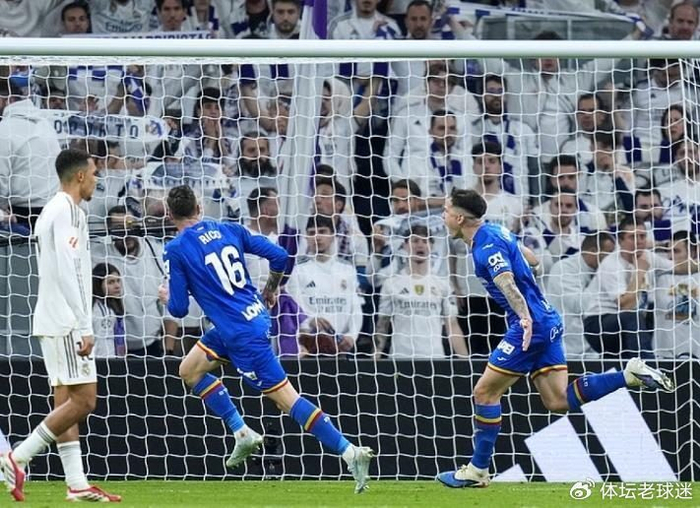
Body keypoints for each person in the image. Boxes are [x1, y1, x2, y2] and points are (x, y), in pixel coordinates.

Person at [436, 188, 674, 489]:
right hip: (548, 319)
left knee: (484, 393)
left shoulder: (485, 247)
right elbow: (533, 259)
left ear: (459, 218)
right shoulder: (496, 231)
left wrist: (523, 317)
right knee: (558, 400)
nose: (443, 216)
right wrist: (525, 275)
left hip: (530, 325)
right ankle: (628, 375)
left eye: (446, 211)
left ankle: (477, 470)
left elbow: (507, 282)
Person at [157, 185, 374, 493]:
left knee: (287, 400)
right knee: (189, 370)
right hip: (248, 319)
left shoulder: (176, 249)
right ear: (200, 207)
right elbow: (280, 255)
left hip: (241, 335)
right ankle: (242, 433)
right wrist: (271, 289)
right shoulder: (229, 229)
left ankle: (350, 452)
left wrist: (167, 295)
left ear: (169, 214)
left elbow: (178, 309)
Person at [0, 149, 121, 502]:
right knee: (85, 401)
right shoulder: (66, 210)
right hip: (67, 321)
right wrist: (84, 324)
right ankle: (17, 457)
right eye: (95, 174)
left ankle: (76, 483)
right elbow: (69, 270)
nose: (97, 180)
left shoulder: (56, 210)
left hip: (52, 317)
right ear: (80, 176)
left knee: (65, 401)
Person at [375, 224, 466, 359]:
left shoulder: (443, 284)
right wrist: (375, 357)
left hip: (434, 359)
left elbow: (452, 325)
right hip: (400, 358)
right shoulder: (391, 284)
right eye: (415, 241)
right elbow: (382, 325)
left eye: (425, 241)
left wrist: (466, 361)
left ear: (432, 246)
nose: (420, 245)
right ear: (405, 246)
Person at [92, 262, 127, 358]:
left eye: (118, 281)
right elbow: (103, 345)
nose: (117, 286)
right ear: (98, 284)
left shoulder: (112, 307)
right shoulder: (99, 311)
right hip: (105, 361)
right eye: (111, 282)